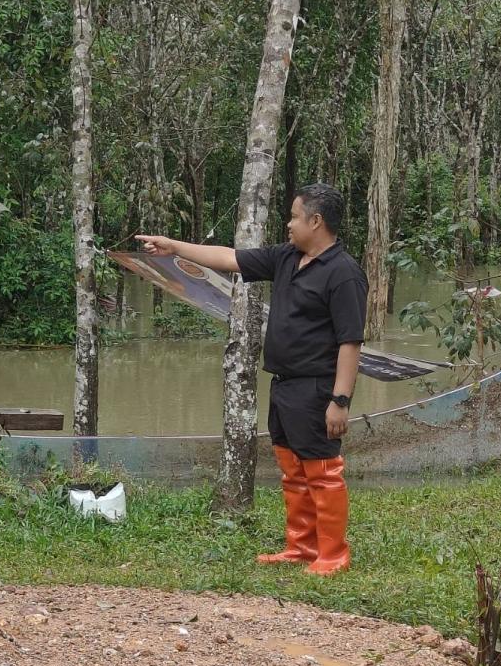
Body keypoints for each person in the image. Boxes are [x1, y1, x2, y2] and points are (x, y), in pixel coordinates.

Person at [136, 183, 367, 576]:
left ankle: (333, 555)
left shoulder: (344, 274)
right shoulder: (287, 258)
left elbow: (350, 343)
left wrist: (339, 400)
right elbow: (229, 258)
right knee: (293, 470)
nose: (289, 224)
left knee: (323, 472)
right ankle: (301, 546)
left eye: (294, 216)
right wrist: (174, 246)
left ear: (316, 221)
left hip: (316, 388)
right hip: (283, 384)